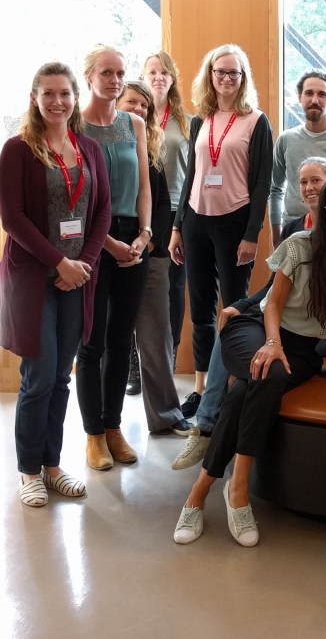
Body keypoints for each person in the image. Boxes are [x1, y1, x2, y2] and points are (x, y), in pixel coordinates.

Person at [173, 176, 326, 546]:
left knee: (242, 393)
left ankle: (200, 490)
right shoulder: (301, 245)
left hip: (304, 349)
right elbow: (271, 303)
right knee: (270, 372)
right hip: (257, 328)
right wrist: (272, 343)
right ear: (322, 212)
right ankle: (238, 490)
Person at [1, 62, 111, 506]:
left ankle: (52, 466)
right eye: (48, 93)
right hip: (34, 279)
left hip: (76, 278)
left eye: (64, 93)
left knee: (62, 377)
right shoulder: (17, 149)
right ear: (34, 98)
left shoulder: (89, 148)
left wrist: (83, 263)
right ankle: (29, 471)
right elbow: (13, 219)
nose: (57, 101)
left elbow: (102, 211)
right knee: (39, 376)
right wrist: (59, 262)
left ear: (74, 97)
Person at [168, 44, 274, 421]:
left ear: (243, 78)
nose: (227, 78)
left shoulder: (256, 121)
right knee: (200, 311)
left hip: (235, 223)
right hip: (196, 221)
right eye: (220, 71)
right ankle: (200, 389)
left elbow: (262, 183)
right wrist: (178, 227)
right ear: (210, 76)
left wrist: (252, 234)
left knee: (233, 308)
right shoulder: (201, 120)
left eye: (234, 72)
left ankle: (228, 386)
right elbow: (191, 176)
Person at [76, 44, 152, 470]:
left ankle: (113, 428)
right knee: (92, 342)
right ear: (89, 76)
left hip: (133, 238)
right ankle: (93, 435)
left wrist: (144, 235)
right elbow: (78, 196)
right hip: (91, 241)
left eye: (120, 73)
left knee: (122, 340)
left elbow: (144, 186)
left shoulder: (134, 123)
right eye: (106, 72)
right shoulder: (74, 125)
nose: (115, 80)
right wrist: (106, 242)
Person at [117, 81, 192, 436]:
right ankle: (106, 426)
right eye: (131, 102)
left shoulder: (152, 147)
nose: (138, 109)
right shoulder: (97, 145)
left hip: (150, 254)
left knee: (157, 336)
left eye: (144, 105)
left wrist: (147, 243)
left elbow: (163, 204)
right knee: (108, 342)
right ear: (116, 104)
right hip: (109, 255)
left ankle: (166, 416)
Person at [269, 70, 326, 247]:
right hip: (291, 228)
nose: (314, 100)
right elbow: (275, 189)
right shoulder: (286, 140)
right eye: (309, 93)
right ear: (299, 97)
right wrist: (276, 234)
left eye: (322, 94)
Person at [142, 51, 190, 366]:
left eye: (164, 72)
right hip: (139, 212)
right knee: (136, 285)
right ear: (143, 77)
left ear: (172, 79)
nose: (159, 77)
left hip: (175, 213)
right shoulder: (133, 115)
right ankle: (136, 361)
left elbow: (195, 173)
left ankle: (168, 356)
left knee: (173, 287)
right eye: (152, 72)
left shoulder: (188, 121)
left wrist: (180, 224)